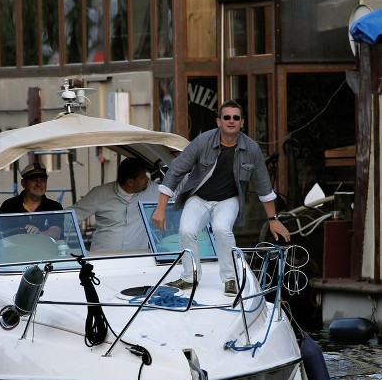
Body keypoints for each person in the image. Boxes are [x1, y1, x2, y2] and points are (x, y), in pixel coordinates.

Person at [152, 100, 290, 296]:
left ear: (242, 123)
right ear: (219, 122)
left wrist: (273, 220)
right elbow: (176, 171)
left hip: (229, 199)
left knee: (221, 229)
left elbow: (263, 186)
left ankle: (230, 279)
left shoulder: (251, 149)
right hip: (199, 197)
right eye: (227, 117)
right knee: (186, 230)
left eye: (236, 118)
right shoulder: (202, 142)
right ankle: (189, 278)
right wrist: (161, 208)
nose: (231, 121)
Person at [73, 157, 159, 252]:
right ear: (130, 182)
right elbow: (70, 216)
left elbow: (175, 197)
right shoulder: (99, 194)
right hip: (103, 258)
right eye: (143, 177)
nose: (147, 179)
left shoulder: (154, 190)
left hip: (137, 258)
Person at [0, 161, 63, 238]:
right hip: (16, 249)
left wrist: (39, 233)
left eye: (42, 180)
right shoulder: (9, 205)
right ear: (23, 183)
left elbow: (56, 232)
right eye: (33, 179)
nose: (39, 184)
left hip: (45, 249)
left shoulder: (55, 207)